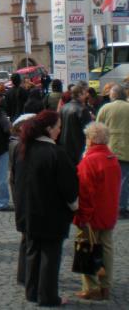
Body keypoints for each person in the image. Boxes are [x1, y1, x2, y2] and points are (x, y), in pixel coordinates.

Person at [13, 110, 78, 307]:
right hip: (51, 213)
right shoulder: (56, 153)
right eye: (58, 127)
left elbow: (15, 179)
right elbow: (69, 187)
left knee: (32, 251)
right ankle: (48, 296)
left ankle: (32, 292)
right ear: (49, 129)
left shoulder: (23, 148)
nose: (60, 130)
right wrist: (74, 205)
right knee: (50, 254)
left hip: (28, 210)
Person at [73, 123, 121, 301]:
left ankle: (91, 287)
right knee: (106, 248)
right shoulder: (112, 158)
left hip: (92, 214)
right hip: (108, 211)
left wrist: (82, 216)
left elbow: (85, 192)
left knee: (86, 248)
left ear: (91, 139)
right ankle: (105, 286)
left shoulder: (90, 161)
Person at [8, 113, 36, 286]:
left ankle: (23, 274)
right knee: (30, 240)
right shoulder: (21, 148)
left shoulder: (15, 145)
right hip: (27, 197)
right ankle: (28, 275)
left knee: (26, 238)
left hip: (20, 195)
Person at [95, 84, 129, 219]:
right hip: (126, 149)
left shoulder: (105, 108)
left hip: (108, 149)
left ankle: (108, 205)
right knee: (124, 179)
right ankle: (121, 207)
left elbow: (96, 129)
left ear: (112, 96)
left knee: (108, 180)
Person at [59, 84, 93, 165]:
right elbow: (89, 131)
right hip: (78, 147)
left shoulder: (64, 107)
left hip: (64, 146)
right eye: (85, 93)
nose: (87, 95)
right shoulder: (82, 110)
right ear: (79, 94)